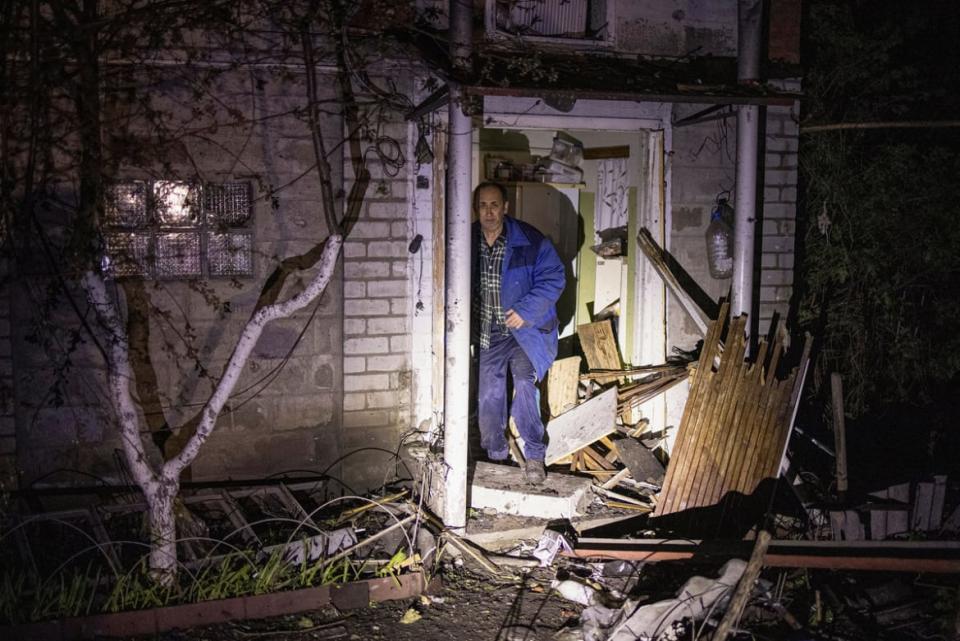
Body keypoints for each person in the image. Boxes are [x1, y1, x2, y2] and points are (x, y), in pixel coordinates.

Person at [472, 181, 565, 484]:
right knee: (488, 394)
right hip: (491, 332)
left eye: (494, 204)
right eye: (483, 205)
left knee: (524, 383)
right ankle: (496, 455)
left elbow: (554, 277)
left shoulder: (530, 240)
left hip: (527, 331)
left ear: (506, 207)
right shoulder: (467, 241)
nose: (489, 211)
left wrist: (526, 311)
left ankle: (535, 454)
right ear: (476, 209)